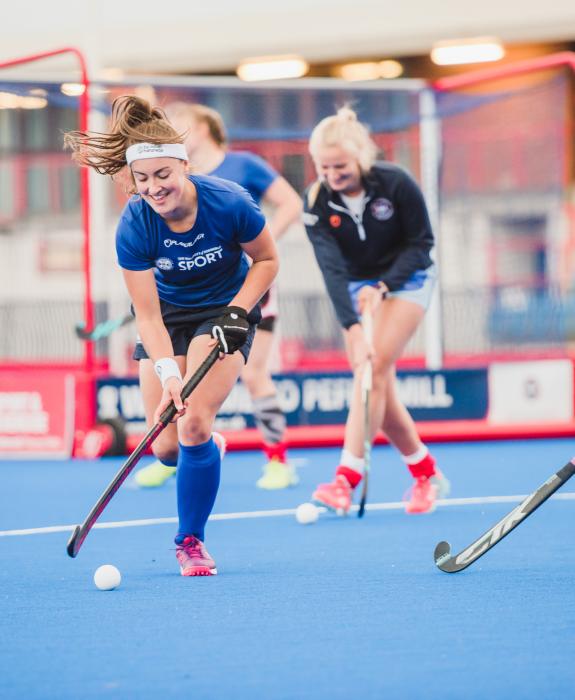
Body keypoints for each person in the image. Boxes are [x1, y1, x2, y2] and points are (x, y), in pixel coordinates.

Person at [64, 95, 278, 575]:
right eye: (143, 180)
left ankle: (189, 540)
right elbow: (147, 317)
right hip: (166, 319)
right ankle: (206, 448)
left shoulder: (227, 202)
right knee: (164, 446)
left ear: (183, 165)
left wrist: (239, 312)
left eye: (163, 175)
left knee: (192, 424)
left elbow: (267, 260)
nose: (155, 188)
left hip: (223, 312)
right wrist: (167, 372)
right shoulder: (134, 226)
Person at [134, 102, 302, 491]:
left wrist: (257, 243)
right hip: (183, 296)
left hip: (241, 286)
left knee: (256, 371)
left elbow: (291, 202)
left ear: (204, 127)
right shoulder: (168, 182)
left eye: (180, 126)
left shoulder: (242, 167)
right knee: (176, 426)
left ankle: (278, 458)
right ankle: (177, 450)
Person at [303, 106, 450, 515]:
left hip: (409, 279)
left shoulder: (396, 183)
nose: (333, 175)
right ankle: (425, 473)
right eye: (324, 167)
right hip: (356, 286)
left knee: (375, 367)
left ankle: (343, 481)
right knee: (374, 377)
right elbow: (331, 270)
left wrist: (383, 287)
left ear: (361, 156)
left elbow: (422, 245)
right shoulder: (316, 202)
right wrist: (350, 326)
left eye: (341, 165)